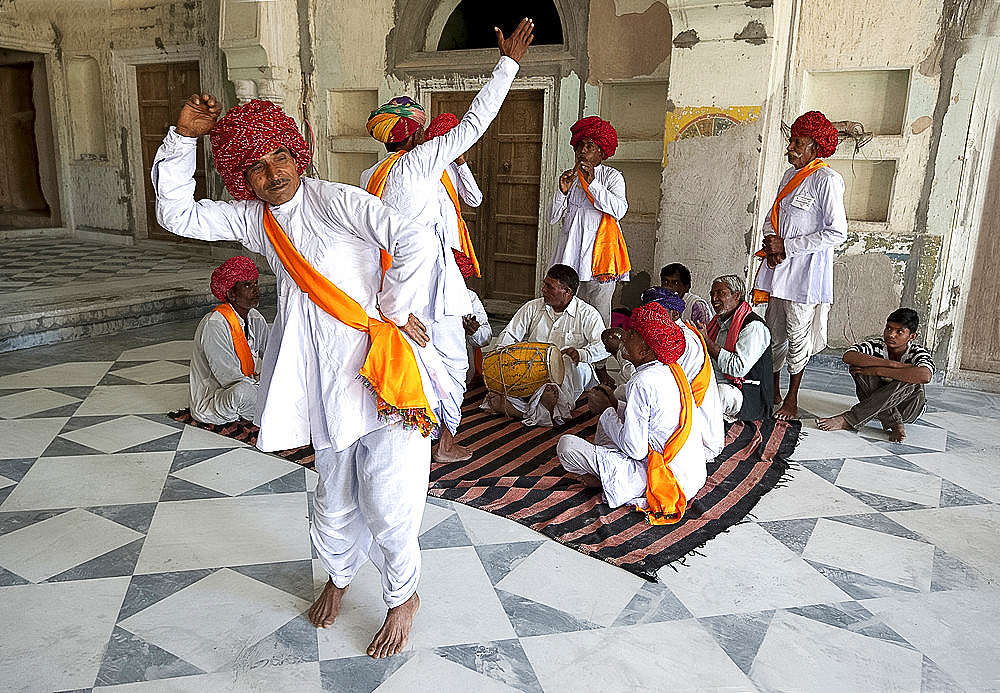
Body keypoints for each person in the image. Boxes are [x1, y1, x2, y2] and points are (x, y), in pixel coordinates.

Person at [152, 85, 454, 657]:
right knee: (333, 498)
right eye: (256, 169)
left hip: (382, 376)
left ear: (297, 152)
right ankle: (340, 576)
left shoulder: (337, 200)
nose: (272, 175)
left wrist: (393, 307)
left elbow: (412, 238)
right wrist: (183, 140)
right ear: (244, 179)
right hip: (322, 384)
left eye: (279, 158)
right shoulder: (257, 221)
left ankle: (401, 596)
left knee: (391, 501)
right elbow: (177, 214)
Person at [361, 20, 533, 462]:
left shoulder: (371, 176)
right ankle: (444, 440)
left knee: (421, 359)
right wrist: (508, 64)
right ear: (417, 135)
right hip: (430, 283)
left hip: (398, 284)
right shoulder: (420, 163)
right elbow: (476, 121)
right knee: (452, 363)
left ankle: (415, 433)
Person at [556, 302, 707, 524]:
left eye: (632, 334)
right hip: (692, 475)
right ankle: (605, 476)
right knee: (616, 417)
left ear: (646, 350)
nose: (624, 338)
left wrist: (606, 411)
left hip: (665, 477)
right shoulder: (670, 369)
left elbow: (636, 450)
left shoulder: (643, 381)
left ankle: (609, 480)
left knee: (566, 446)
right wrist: (614, 405)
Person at [752, 110, 847, 420]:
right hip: (778, 269)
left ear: (815, 148)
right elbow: (771, 218)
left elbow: (836, 232)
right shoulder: (789, 176)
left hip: (805, 276)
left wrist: (788, 246)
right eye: (790, 141)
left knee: (798, 334)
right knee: (773, 332)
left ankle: (792, 398)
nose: (789, 148)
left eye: (796, 142)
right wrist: (771, 241)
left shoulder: (827, 179)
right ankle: (774, 389)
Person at [484, 264, 609, 426]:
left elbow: (603, 346)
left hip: (570, 371)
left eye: (549, 287)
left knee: (568, 363)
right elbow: (510, 335)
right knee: (503, 381)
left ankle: (526, 408)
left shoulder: (587, 313)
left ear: (567, 292)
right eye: (544, 284)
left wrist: (582, 354)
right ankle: (539, 409)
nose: (543, 289)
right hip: (533, 369)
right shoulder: (533, 307)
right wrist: (502, 358)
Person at [548, 116, 630, 327]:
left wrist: (593, 184)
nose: (583, 150)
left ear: (601, 152)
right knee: (569, 310)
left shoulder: (612, 178)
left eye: (590, 146)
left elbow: (619, 210)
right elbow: (552, 217)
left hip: (600, 258)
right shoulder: (570, 178)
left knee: (598, 313)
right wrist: (561, 192)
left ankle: (598, 360)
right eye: (580, 146)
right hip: (571, 255)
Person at [817, 308, 933, 442]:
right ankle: (895, 423)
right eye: (888, 329)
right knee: (858, 367)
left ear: (912, 336)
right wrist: (891, 364)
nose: (891, 335)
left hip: (907, 409)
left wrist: (879, 370)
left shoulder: (917, 352)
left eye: (899, 332)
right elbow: (849, 356)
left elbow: (925, 376)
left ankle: (850, 419)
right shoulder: (876, 345)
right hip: (877, 409)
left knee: (912, 377)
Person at [639, 287, 724, 461]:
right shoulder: (669, 334)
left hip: (700, 433)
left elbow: (658, 384)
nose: (652, 318)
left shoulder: (680, 340)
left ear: (675, 315)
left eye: (658, 312)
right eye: (649, 312)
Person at [189, 256, 270, 425]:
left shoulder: (255, 317)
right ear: (231, 294)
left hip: (251, 384)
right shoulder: (215, 324)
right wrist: (261, 386)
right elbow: (229, 377)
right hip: (216, 398)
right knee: (243, 392)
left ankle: (266, 408)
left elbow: (272, 355)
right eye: (247, 285)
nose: (255, 290)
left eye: (256, 283)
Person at [696, 275, 773, 422]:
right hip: (715, 382)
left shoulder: (753, 327)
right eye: (712, 294)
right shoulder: (718, 323)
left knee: (721, 393)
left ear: (737, 295)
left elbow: (737, 368)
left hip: (747, 394)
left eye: (721, 293)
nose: (714, 298)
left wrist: (706, 341)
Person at [455, 249, 492, 385]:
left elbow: (486, 336)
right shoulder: (423, 296)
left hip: (462, 371)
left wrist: (474, 332)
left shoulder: (469, 297)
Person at [661, 262, 711, 327]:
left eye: (675, 283)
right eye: (665, 282)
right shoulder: (659, 302)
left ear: (685, 287)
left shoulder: (696, 306)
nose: (669, 286)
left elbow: (703, 335)